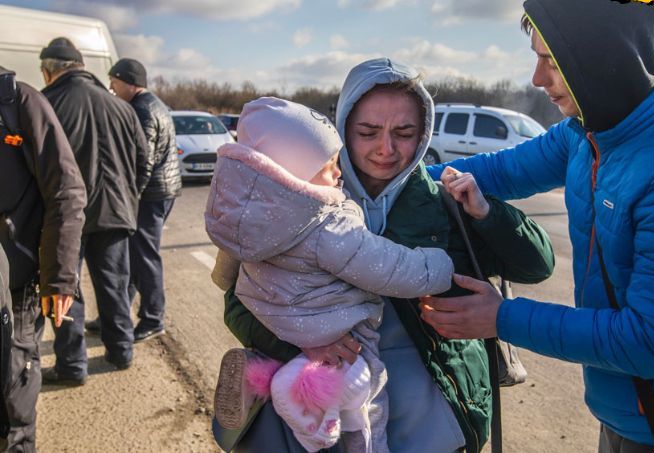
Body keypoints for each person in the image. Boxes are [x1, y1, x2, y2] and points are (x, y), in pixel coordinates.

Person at [421, 0, 654, 452]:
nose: (537, 78)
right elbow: (493, 172)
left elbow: (653, 343)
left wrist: (500, 317)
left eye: (552, 61)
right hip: (630, 416)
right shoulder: (592, 128)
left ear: (605, 55)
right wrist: (370, 179)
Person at [214, 58, 555, 453]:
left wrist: (487, 213)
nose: (386, 149)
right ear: (342, 128)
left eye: (405, 132)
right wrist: (304, 345)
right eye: (368, 131)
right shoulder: (291, 199)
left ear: (424, 133)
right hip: (331, 419)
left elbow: (536, 265)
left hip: (436, 422)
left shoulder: (446, 200)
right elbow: (237, 306)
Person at [206, 96, 457, 452]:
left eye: (403, 132)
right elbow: (389, 267)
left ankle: (276, 386)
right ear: (297, 172)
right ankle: (339, 436)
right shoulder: (326, 222)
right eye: (328, 166)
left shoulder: (250, 215)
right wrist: (439, 265)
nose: (338, 173)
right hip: (341, 331)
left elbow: (224, 278)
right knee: (368, 398)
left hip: (277, 317)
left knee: (306, 383)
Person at [38, 38, 151, 383]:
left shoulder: (46, 104)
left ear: (49, 71)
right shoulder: (121, 106)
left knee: (65, 289)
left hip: (65, 215)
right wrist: (129, 197)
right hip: (115, 211)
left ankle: (72, 365)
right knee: (115, 286)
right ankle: (121, 351)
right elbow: (144, 162)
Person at [0, 66, 86, 450]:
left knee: (13, 387)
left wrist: (59, 278)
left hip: (15, 283)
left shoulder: (19, 102)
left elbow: (67, 192)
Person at [84, 58, 180, 343]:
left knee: (144, 258)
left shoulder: (142, 110)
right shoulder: (153, 104)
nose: (111, 88)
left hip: (149, 196)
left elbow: (143, 162)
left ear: (128, 81)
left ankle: (153, 319)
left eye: (113, 82)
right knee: (134, 257)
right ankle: (116, 316)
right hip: (158, 192)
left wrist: (130, 198)